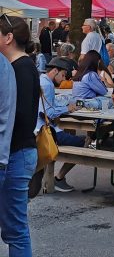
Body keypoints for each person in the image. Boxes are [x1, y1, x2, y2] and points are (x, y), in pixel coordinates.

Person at [0, 15, 39, 256]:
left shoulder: (20, 68)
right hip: (17, 152)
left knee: (15, 229)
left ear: (9, 37)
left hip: (16, 153)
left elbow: (20, 116)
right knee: (14, 227)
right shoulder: (20, 66)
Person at [37, 57, 85, 192]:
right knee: (83, 143)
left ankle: (54, 178)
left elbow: (48, 105)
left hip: (40, 128)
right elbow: (48, 112)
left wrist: (63, 104)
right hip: (46, 130)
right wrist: (67, 109)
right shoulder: (47, 85)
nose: (63, 78)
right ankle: (59, 178)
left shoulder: (42, 80)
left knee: (73, 138)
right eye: (63, 75)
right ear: (55, 71)